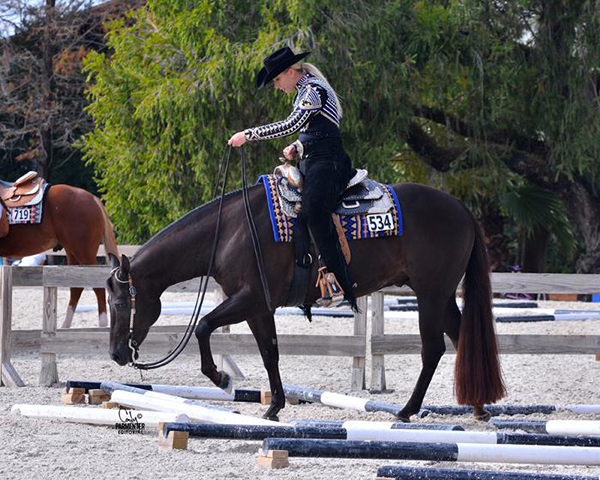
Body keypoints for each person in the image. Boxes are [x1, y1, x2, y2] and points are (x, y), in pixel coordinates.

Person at [228, 46, 357, 311]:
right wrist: (297, 148)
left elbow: (291, 124)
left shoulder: (313, 91)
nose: (276, 86)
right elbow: (316, 131)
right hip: (314, 161)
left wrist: (248, 135)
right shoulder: (306, 91)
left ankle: (338, 283)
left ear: (289, 72)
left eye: (276, 79)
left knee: (314, 211)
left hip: (329, 163)